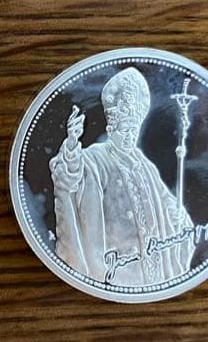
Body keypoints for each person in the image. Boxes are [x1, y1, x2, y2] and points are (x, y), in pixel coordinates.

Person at [50, 67, 193, 286]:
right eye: (124, 129)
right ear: (111, 127)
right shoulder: (95, 158)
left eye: (134, 130)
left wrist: (176, 215)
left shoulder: (144, 164)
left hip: (153, 265)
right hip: (116, 267)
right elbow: (68, 177)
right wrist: (71, 143)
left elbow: (165, 201)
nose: (129, 136)